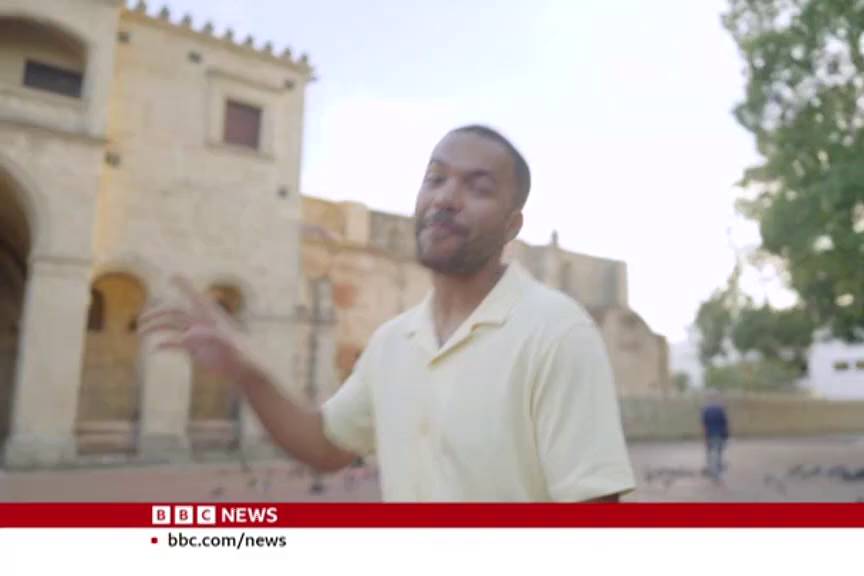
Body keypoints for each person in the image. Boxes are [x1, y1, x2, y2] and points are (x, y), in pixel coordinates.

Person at [141, 125, 636, 502]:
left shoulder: (556, 332)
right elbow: (325, 446)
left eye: (478, 187)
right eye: (435, 179)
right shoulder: (393, 343)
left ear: (512, 226)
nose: (445, 197)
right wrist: (246, 371)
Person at [700, 391, 729, 481]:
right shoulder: (721, 409)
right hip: (720, 434)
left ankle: (712, 471)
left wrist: (704, 436)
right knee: (718, 454)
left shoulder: (705, 410)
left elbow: (704, 425)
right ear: (716, 398)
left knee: (710, 453)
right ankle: (716, 473)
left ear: (708, 399)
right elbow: (725, 423)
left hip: (709, 434)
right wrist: (726, 435)